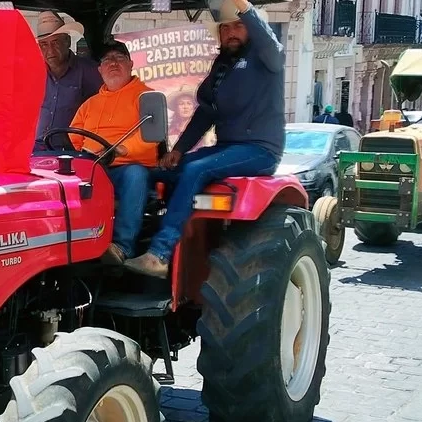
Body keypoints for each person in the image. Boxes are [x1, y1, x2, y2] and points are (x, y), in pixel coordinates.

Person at [123, 0, 284, 278]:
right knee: (158, 172)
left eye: (238, 26)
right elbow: (205, 113)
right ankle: (128, 244)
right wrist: (178, 150)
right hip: (225, 148)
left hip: (259, 149)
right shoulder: (222, 66)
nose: (231, 33)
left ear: (251, 29)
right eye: (225, 28)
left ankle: (159, 254)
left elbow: (268, 42)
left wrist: (244, 8)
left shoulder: (266, 58)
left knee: (196, 170)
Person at [66, 41, 159, 265]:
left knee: (135, 175)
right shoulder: (90, 104)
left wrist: (123, 149)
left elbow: (152, 137)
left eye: (119, 58)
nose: (113, 63)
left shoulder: (147, 97)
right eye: (107, 60)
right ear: (100, 69)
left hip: (127, 168)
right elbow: (74, 136)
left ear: (131, 64)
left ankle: (122, 246)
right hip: (93, 166)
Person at [33, 11, 103, 151]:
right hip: (35, 150)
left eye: (55, 43)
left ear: (67, 42)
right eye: (44, 45)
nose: (50, 51)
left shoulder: (90, 72)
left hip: (72, 151)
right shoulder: (33, 73)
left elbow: (102, 112)